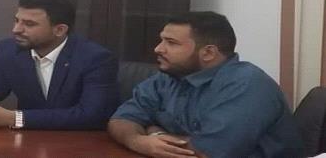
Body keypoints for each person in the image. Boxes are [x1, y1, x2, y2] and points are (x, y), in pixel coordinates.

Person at [108, 11, 304, 158]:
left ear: (208, 53)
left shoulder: (247, 84)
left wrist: (153, 130)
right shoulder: (169, 77)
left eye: (171, 43)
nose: (158, 49)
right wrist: (137, 140)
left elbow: (207, 152)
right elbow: (120, 120)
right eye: (162, 40)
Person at [0, 0, 119, 130]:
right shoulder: (9, 50)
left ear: (59, 30)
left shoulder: (95, 58)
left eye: (29, 24)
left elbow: (91, 115)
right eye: (17, 21)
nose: (16, 29)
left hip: (79, 143)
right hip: (28, 141)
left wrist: (14, 118)